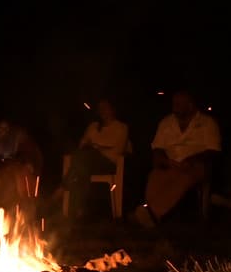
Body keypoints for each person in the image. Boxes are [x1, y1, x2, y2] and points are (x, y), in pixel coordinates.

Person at [134, 90, 220, 227]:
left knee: (183, 178)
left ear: (190, 105)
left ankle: (151, 214)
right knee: (155, 176)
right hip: (171, 163)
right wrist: (163, 160)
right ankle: (150, 214)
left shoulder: (207, 123)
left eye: (179, 104)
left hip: (195, 165)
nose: (174, 106)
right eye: (174, 103)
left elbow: (213, 150)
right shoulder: (166, 123)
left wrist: (190, 161)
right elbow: (157, 147)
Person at [56, 98, 129, 221]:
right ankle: (79, 211)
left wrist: (95, 146)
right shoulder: (93, 126)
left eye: (105, 108)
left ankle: (63, 189)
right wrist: (95, 147)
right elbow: (82, 145)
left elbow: (118, 149)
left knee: (83, 160)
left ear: (112, 109)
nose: (102, 111)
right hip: (89, 161)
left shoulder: (121, 127)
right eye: (100, 108)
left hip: (108, 162)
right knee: (82, 166)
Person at [0, 117, 43, 217]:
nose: (3, 132)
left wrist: (28, 163)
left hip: (15, 170)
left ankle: (26, 215)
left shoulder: (17, 137)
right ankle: (2, 216)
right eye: (0, 129)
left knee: (22, 176)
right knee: (3, 184)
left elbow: (31, 152)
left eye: (6, 129)